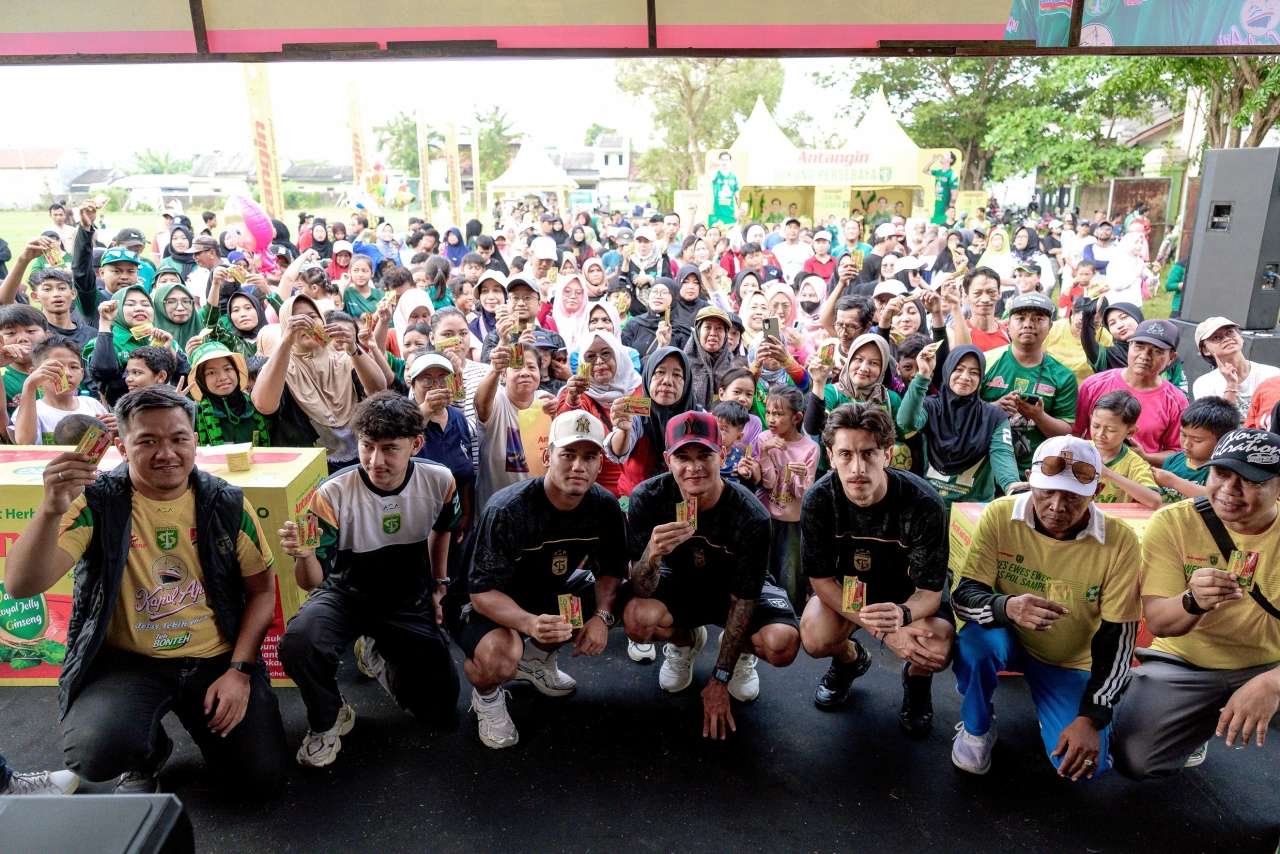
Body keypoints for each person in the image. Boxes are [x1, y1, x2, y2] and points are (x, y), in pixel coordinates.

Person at [4, 386, 287, 797]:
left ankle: (205, 727)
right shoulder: (95, 503)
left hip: (216, 659)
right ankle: (148, 752)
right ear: (122, 447)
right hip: (130, 663)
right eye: (147, 441)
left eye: (178, 438)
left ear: (195, 441)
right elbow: (20, 585)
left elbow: (261, 593)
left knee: (259, 781)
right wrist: (50, 509)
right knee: (96, 753)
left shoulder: (226, 504)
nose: (166, 453)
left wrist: (239, 672)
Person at [278, 391, 462, 767]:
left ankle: (374, 650)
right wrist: (305, 555)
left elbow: (443, 529)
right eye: (367, 446)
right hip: (346, 594)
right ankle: (329, 717)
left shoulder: (440, 480)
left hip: (406, 596)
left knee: (439, 710)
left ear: (416, 444)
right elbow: (310, 583)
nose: (376, 461)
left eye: (390, 448)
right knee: (299, 642)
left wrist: (438, 585)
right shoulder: (332, 493)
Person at [951, 436, 1142, 779]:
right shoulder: (1000, 514)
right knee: (974, 645)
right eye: (1046, 492)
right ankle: (977, 726)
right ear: (1029, 480)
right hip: (1008, 638)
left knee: (1085, 766)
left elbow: (1119, 638)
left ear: (1096, 492)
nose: (1056, 506)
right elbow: (964, 597)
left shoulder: (1121, 541)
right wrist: (1008, 607)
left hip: (1069, 660)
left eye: (1072, 496)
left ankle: (1064, 710)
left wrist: (1092, 717)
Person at [445, 410, 627, 749]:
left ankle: (538, 660)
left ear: (600, 464)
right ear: (547, 456)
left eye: (589, 457)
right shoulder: (508, 509)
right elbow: (482, 592)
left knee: (621, 597)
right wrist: (530, 624)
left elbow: (612, 569)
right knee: (502, 655)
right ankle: (487, 696)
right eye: (568, 454)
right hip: (482, 601)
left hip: (547, 590)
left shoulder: (604, 506)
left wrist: (602, 616)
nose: (578, 466)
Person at [1113, 429, 1280, 780]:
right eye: (1221, 473)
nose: (1229, 489)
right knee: (1135, 759)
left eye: (1251, 480)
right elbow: (1158, 623)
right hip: (1185, 662)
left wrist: (1273, 682)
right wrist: (1193, 601)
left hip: (1271, 662)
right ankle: (1198, 721)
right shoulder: (1174, 522)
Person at [623, 412, 801, 733]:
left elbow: (745, 599)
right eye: (682, 457)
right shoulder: (647, 499)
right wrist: (652, 553)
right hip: (680, 581)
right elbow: (641, 588)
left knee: (782, 644)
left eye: (704, 455)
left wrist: (720, 677)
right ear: (668, 460)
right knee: (637, 620)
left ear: (722, 454)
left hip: (733, 587)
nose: (694, 467)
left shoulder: (751, 514)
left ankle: (740, 653)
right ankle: (684, 642)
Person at [799, 401, 953, 731]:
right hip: (853, 589)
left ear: (887, 454)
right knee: (814, 634)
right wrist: (884, 632)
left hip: (908, 595)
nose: (857, 467)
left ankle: (917, 680)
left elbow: (929, 593)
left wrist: (903, 617)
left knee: (937, 646)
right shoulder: (818, 500)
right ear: (831, 457)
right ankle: (850, 661)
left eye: (868, 453)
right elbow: (821, 580)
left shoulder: (924, 503)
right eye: (846, 454)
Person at [251, 295, 388, 472]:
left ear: (322, 321)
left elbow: (379, 389)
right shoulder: (280, 369)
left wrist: (353, 347)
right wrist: (286, 341)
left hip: (359, 467)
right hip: (307, 472)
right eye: (297, 319)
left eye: (312, 316)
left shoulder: (345, 359)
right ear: (286, 326)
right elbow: (264, 405)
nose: (307, 324)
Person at [897, 344, 1018, 504]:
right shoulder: (931, 406)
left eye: (974, 372)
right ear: (948, 370)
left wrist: (1012, 485)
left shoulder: (995, 418)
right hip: (930, 505)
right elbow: (906, 422)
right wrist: (923, 375)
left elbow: (1003, 454)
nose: (965, 377)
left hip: (972, 510)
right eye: (958, 369)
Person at [980, 292, 1078, 475]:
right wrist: (992, 409)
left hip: (1035, 472)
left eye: (1038, 318)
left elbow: (1065, 432)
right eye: (1020, 318)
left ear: (1050, 326)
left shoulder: (1063, 376)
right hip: (983, 467)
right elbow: (959, 411)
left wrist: (1038, 416)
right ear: (1008, 324)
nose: (1028, 324)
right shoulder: (985, 362)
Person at [1075, 319, 1187, 464]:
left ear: (1171, 358)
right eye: (1139, 347)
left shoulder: (1176, 401)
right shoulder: (1093, 385)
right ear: (1130, 347)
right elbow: (1073, 432)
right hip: (1088, 470)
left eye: (1156, 351)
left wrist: (1145, 457)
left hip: (1141, 475)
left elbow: (1178, 454)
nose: (1145, 356)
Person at [753, 386, 819, 609]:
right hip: (765, 514)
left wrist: (801, 476)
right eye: (768, 412)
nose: (771, 419)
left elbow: (802, 494)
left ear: (796, 418)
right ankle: (760, 612)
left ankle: (790, 615)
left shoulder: (810, 448)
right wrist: (764, 452)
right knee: (762, 566)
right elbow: (768, 483)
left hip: (792, 519)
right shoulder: (764, 439)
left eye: (779, 414)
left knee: (789, 571)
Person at [556, 330, 641, 497]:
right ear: (583, 363)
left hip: (635, 490)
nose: (599, 361)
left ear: (619, 356)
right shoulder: (575, 393)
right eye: (590, 357)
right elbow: (566, 434)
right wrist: (573, 399)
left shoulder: (641, 389)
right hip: (591, 491)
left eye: (606, 354)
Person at [473, 335, 541, 514]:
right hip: (495, 511)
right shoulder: (497, 400)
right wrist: (495, 369)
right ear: (503, 375)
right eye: (517, 367)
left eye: (531, 367)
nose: (525, 372)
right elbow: (481, 403)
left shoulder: (546, 402)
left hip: (535, 509)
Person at [12, 336, 109, 445]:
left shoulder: (92, 405)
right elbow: (24, 442)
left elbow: (106, 443)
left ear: (82, 373)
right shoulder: (33, 411)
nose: (67, 373)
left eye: (74, 367)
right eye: (56, 367)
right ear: (34, 373)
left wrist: (114, 431)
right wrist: (29, 385)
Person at [1155, 396, 1240, 503]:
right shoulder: (1172, 461)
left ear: (1223, 441)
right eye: (1183, 434)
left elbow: (1219, 498)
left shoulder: (1224, 471)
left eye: (1197, 440)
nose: (1187, 443)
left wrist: (1173, 482)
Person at [1192, 317, 1280, 418]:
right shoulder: (1204, 384)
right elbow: (1220, 424)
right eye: (1216, 337)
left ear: (1241, 337)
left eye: (1230, 332)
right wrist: (1231, 385)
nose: (1227, 339)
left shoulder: (1273, 374)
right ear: (1205, 350)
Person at [1088, 390, 1162, 508]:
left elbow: (1155, 501)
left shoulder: (1134, 463)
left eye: (1111, 430)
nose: (1100, 434)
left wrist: (1107, 473)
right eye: (1095, 426)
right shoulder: (1079, 450)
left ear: (1130, 432)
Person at [188, 341, 270, 447]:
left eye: (228, 369)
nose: (222, 377)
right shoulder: (194, 415)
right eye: (211, 373)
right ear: (201, 380)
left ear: (236, 371)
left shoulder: (257, 405)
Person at [771, 217, 815, 283]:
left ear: (799, 230)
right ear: (784, 230)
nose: (792, 230)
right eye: (789, 227)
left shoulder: (807, 248)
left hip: (801, 284)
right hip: (781, 284)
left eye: (796, 227)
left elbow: (813, 265)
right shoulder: (776, 249)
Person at [710, 151, 740, 228]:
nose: (724, 162)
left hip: (730, 213)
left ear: (730, 162)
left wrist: (739, 209)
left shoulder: (733, 177)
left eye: (726, 160)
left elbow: (737, 195)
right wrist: (714, 164)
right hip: (717, 213)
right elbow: (712, 172)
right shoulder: (716, 175)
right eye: (722, 159)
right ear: (719, 161)